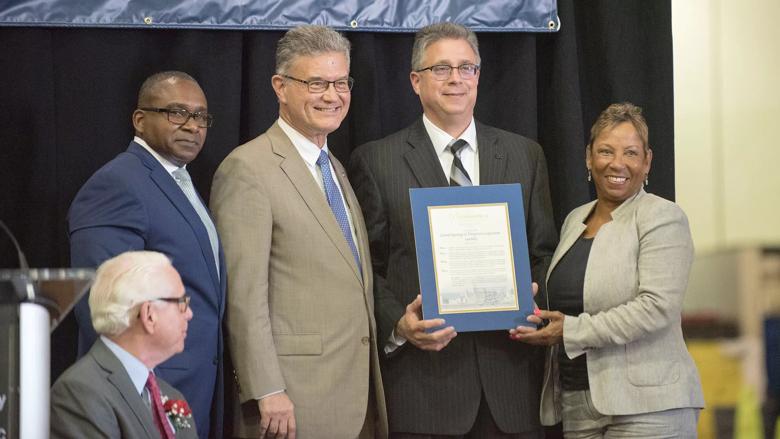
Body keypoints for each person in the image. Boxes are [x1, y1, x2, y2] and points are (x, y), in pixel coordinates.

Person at [349, 22, 558, 438]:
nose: (456, 79)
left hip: (510, 387)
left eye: (467, 67)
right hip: (424, 391)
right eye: (441, 68)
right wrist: (397, 324)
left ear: (479, 76)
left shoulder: (524, 155)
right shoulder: (376, 160)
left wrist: (534, 301)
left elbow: (543, 251)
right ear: (415, 81)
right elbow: (365, 267)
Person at [210, 25, 388, 439]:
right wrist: (266, 388)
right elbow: (243, 295)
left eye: (341, 83)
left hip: (357, 396)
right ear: (280, 86)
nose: (332, 95)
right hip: (291, 402)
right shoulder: (248, 169)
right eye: (316, 83)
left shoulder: (335, 167)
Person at [511, 102, 704, 437]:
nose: (617, 163)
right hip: (577, 401)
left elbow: (655, 308)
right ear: (589, 157)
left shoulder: (663, 218)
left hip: (649, 406)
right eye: (605, 151)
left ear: (647, 162)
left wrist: (569, 331)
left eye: (631, 153)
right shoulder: (575, 220)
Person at [68, 71, 226, 438]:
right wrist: (141, 394)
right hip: (146, 396)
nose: (193, 126)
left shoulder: (180, 181)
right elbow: (104, 307)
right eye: (177, 113)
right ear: (140, 120)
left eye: (201, 117)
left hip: (195, 391)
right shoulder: (117, 184)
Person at [51, 251, 197, 439]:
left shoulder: (170, 394)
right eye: (181, 302)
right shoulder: (80, 392)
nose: (189, 314)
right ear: (149, 314)